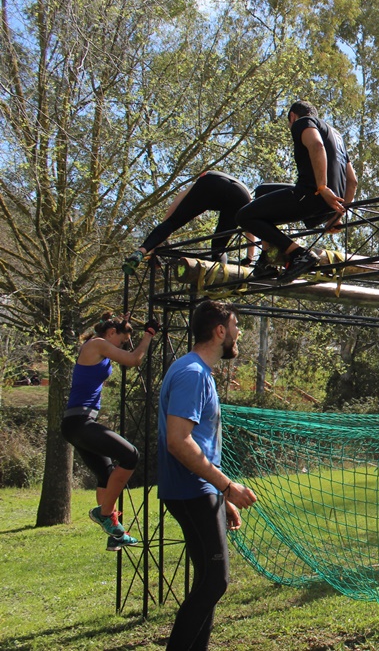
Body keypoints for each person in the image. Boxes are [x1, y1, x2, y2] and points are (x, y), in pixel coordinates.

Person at [159, 299, 258, 650]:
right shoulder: (191, 374)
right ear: (220, 331)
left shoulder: (198, 371)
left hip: (202, 491)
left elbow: (199, 442)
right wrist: (226, 487)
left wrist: (219, 497)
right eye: (235, 326)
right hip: (191, 490)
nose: (239, 333)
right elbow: (179, 442)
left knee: (209, 581)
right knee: (215, 582)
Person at [61, 313, 157, 550]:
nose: (122, 346)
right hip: (80, 422)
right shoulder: (97, 344)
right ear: (111, 334)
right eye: (122, 341)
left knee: (107, 475)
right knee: (130, 455)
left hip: (75, 424)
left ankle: (114, 531)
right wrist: (149, 335)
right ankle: (104, 514)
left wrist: (121, 322)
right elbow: (134, 360)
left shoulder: (98, 345)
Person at [236, 100, 357, 282]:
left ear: (292, 116)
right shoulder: (336, 136)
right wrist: (337, 215)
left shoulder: (302, 122)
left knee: (244, 217)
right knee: (262, 191)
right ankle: (267, 260)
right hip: (329, 204)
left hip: (311, 195)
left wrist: (322, 187)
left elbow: (316, 146)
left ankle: (299, 254)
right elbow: (352, 181)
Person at [122, 171, 256, 276]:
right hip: (241, 194)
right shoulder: (246, 192)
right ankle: (215, 283)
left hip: (210, 182)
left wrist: (159, 238)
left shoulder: (202, 179)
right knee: (219, 246)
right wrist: (249, 258)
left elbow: (175, 207)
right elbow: (249, 226)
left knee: (172, 222)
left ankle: (140, 252)